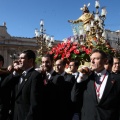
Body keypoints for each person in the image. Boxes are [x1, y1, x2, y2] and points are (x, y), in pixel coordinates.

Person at [71, 49, 120, 120]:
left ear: (105, 61)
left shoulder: (116, 79)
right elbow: (74, 98)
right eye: (91, 59)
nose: (92, 61)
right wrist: (79, 80)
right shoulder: (86, 78)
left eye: (96, 59)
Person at [1, 50, 44, 120]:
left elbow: (35, 103)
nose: (19, 60)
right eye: (19, 58)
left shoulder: (35, 76)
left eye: (22, 58)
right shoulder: (18, 75)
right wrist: (14, 73)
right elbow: (3, 87)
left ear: (30, 60)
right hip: (15, 116)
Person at [41, 54, 66, 120]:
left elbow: (61, 100)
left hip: (53, 114)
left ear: (52, 62)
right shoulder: (40, 77)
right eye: (43, 62)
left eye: (47, 62)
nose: (45, 64)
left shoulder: (58, 78)